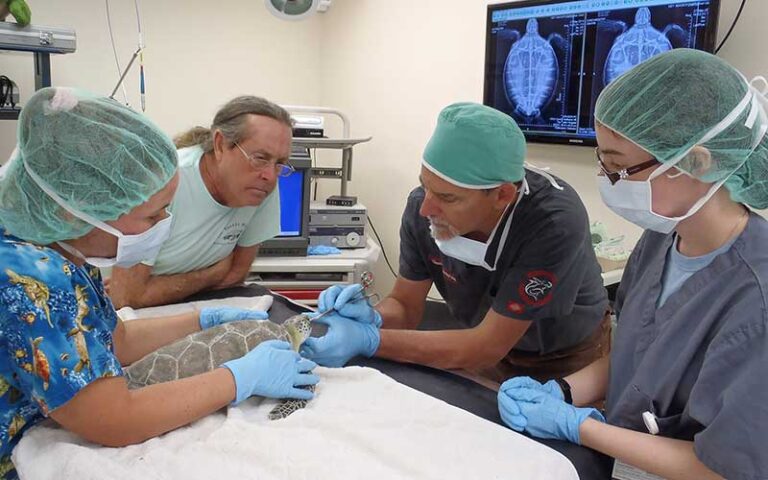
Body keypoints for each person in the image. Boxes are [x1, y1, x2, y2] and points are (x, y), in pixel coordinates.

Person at [0, 87, 318, 479]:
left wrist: (202, 320)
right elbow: (117, 419)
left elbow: (115, 340)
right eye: (154, 216)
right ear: (81, 207)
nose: (165, 223)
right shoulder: (31, 279)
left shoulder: (64, 249)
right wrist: (239, 378)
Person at [496, 49, 768, 480]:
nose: (605, 179)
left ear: (696, 162)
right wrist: (565, 391)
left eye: (619, 167)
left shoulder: (756, 299)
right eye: (601, 161)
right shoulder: (661, 239)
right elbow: (638, 355)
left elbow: (725, 468)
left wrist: (579, 426)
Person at [302, 102, 610, 384]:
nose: (427, 209)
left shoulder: (552, 222)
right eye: (426, 187)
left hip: (564, 358)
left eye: (448, 198)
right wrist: (374, 316)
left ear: (502, 195)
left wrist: (370, 340)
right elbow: (406, 306)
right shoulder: (423, 208)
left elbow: (486, 346)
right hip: (476, 346)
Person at [108, 96, 292, 308]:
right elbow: (126, 298)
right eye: (260, 157)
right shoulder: (167, 181)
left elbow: (235, 276)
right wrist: (214, 273)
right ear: (220, 144)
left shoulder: (262, 186)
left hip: (192, 305)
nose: (270, 175)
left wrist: (159, 289)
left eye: (280, 163)